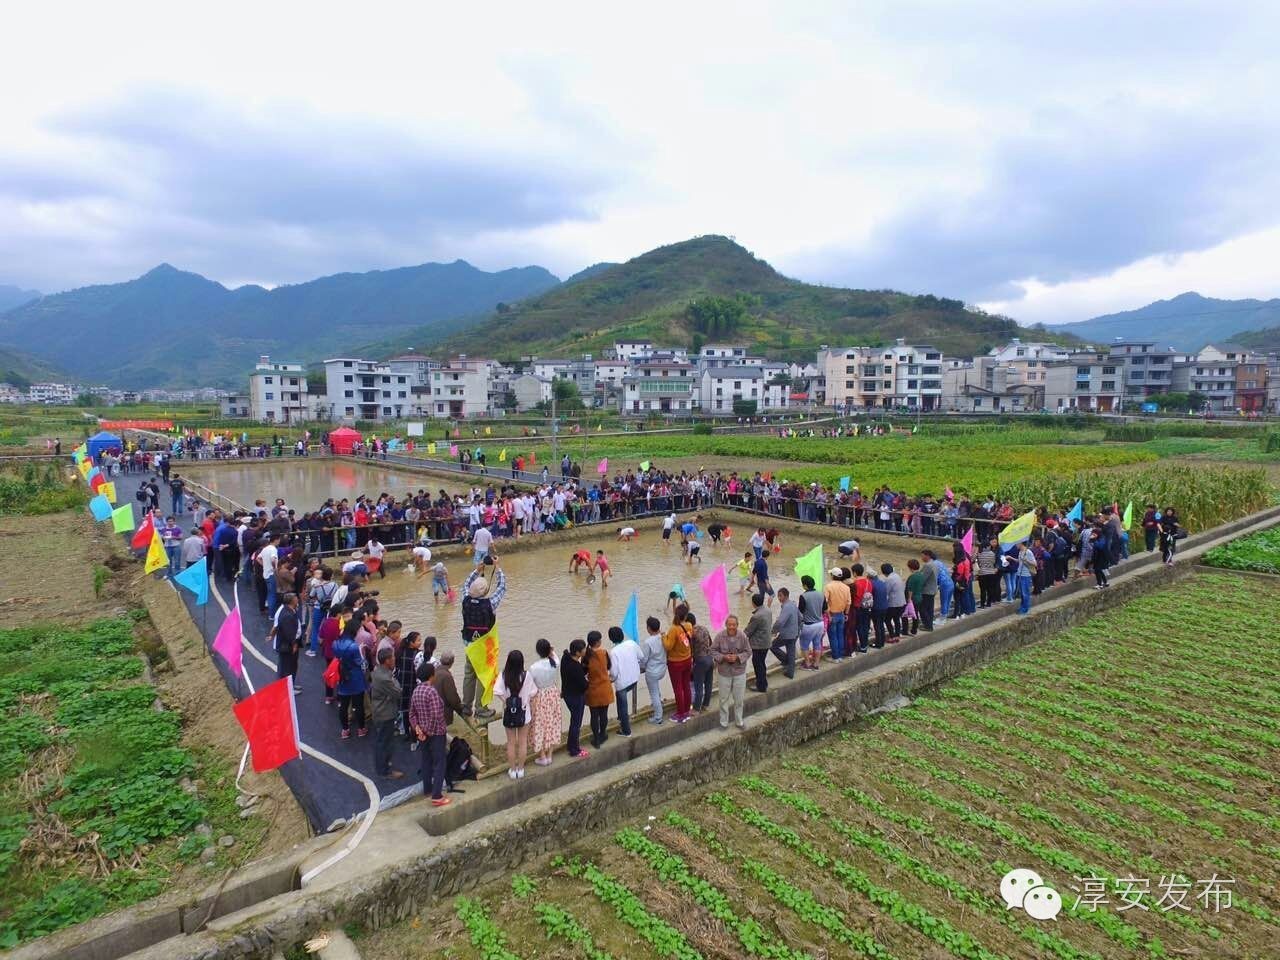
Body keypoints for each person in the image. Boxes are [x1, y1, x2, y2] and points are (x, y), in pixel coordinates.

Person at [460, 559, 507, 720]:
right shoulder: (490, 603)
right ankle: (480, 708)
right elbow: (502, 587)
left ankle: (466, 706)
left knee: (469, 674)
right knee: (483, 675)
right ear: (485, 592)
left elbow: (465, 584)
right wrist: (497, 568)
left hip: (469, 645)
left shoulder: (465, 599)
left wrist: (476, 570)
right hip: (484, 647)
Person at [409, 662, 450, 807]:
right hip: (436, 733)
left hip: (422, 734)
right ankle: (437, 795)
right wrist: (428, 731)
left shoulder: (416, 691)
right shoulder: (431, 692)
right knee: (439, 763)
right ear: (431, 676)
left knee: (426, 761)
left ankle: (427, 789)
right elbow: (436, 714)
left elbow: (412, 714)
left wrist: (418, 730)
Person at [493, 650, 536, 779]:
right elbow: (533, 692)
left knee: (511, 743)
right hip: (524, 712)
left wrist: (505, 701)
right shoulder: (527, 675)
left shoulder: (503, 675)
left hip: (509, 714)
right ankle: (521, 769)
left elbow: (497, 691)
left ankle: (512, 770)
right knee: (522, 742)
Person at [370, 648, 405, 780]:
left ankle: (383, 764)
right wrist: (394, 680)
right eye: (393, 658)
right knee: (385, 741)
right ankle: (384, 770)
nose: (395, 659)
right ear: (387, 661)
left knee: (383, 740)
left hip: (381, 711)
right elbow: (398, 692)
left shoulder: (378, 671)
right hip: (385, 713)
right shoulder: (385, 678)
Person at [712, 615, 750, 730]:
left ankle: (739, 721)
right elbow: (712, 650)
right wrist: (723, 657)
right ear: (726, 625)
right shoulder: (719, 636)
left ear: (737, 625)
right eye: (729, 625)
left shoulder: (742, 636)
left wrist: (738, 657)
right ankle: (724, 723)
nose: (731, 627)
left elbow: (748, 651)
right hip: (724, 672)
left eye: (734, 625)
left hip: (739, 672)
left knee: (739, 699)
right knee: (723, 699)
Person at [333, 613, 368, 739]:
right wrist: (363, 655)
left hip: (342, 676)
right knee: (358, 705)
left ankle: (345, 729)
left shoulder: (336, 643)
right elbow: (361, 663)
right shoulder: (354, 647)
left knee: (343, 705)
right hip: (355, 677)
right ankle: (361, 729)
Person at [528, 639, 561, 766]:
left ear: (537, 651)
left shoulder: (534, 667)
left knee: (539, 725)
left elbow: (530, 685)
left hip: (539, 696)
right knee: (552, 723)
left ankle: (542, 756)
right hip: (553, 694)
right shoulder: (555, 663)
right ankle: (550, 755)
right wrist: (552, 650)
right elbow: (554, 655)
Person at [663, 605, 694, 722]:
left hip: (675, 663)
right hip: (687, 659)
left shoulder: (673, 629)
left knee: (678, 688)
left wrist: (663, 637)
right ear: (686, 615)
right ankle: (687, 710)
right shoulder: (689, 625)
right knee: (686, 686)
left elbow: (668, 646)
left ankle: (680, 713)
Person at [608, 625, 641, 735]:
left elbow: (614, 672)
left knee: (623, 706)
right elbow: (641, 656)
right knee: (622, 702)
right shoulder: (631, 643)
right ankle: (621, 718)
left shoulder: (613, 652)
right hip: (634, 678)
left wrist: (611, 679)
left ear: (611, 638)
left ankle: (626, 731)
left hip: (622, 683)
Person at [560, 639, 589, 759]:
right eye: (583, 649)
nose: (585, 651)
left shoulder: (565, 659)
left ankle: (570, 745)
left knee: (574, 721)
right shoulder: (575, 667)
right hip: (576, 696)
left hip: (567, 694)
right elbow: (584, 685)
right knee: (576, 723)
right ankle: (574, 749)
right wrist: (587, 680)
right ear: (577, 653)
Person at [584, 631, 613, 748]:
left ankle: (596, 739)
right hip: (605, 688)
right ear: (597, 642)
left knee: (594, 716)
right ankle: (603, 735)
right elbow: (609, 666)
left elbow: (584, 672)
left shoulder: (586, 656)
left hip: (593, 689)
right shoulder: (604, 653)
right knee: (604, 714)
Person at [269, 592, 303, 691]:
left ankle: (290, 685)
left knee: (291, 666)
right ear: (291, 601)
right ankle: (286, 690)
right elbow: (289, 634)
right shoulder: (287, 615)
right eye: (296, 597)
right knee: (286, 669)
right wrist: (294, 644)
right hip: (287, 647)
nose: (297, 599)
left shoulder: (290, 609)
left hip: (289, 645)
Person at [638, 615, 668, 724]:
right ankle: (658, 705)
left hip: (652, 672)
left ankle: (658, 717)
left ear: (649, 628)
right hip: (662, 669)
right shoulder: (664, 637)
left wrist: (640, 667)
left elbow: (644, 659)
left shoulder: (648, 642)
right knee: (656, 692)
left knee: (654, 694)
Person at [744, 593, 774, 691]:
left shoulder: (756, 616)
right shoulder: (768, 611)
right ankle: (763, 683)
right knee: (762, 663)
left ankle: (761, 686)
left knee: (758, 665)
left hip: (758, 645)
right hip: (767, 642)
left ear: (753, 603)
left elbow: (748, 631)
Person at [686, 612, 715, 712]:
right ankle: (706, 704)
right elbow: (711, 643)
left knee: (698, 685)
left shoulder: (691, 634)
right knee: (708, 683)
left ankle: (696, 708)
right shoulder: (704, 628)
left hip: (700, 661)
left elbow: (689, 650)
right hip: (710, 658)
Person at [797, 575, 825, 670]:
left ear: (805, 585)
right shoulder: (821, 594)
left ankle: (807, 664)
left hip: (808, 625)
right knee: (817, 644)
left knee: (804, 646)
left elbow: (800, 612)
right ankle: (816, 664)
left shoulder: (803, 596)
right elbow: (824, 609)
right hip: (820, 624)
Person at [770, 586, 799, 678]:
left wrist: (773, 631)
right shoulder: (793, 604)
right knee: (791, 652)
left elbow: (780, 622)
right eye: (778, 596)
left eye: (780, 596)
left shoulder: (786, 607)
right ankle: (790, 671)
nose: (779, 598)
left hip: (786, 634)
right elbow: (801, 617)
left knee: (772, 646)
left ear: (786, 596)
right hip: (794, 633)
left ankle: (786, 661)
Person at [823, 567, 850, 660]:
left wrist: (829, 616)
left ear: (832, 576)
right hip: (842, 614)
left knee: (833, 636)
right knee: (840, 635)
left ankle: (835, 656)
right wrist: (846, 614)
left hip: (832, 615)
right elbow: (848, 602)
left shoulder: (828, 586)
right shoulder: (846, 587)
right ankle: (840, 655)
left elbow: (825, 602)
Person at [882, 563, 906, 640]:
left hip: (894, 604)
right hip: (902, 602)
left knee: (887, 620)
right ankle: (897, 634)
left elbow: (886, 592)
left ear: (884, 572)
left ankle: (892, 635)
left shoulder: (889, 579)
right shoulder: (897, 576)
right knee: (896, 619)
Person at [1015, 541, 1037, 614]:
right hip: (1019, 574)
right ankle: (1022, 607)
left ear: (1020, 543)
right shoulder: (1020, 552)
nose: (1016, 545)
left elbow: (1035, 563)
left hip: (1026, 575)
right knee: (1021, 593)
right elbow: (1019, 561)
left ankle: (1025, 609)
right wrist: (1010, 558)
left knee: (1025, 593)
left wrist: (1026, 560)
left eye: (1017, 543)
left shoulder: (1028, 552)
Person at [917, 553, 938, 631]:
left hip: (927, 590)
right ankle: (929, 624)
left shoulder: (928, 565)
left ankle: (927, 625)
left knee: (922, 609)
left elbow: (923, 578)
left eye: (922, 556)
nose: (922, 557)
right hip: (932, 589)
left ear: (927, 556)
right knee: (929, 609)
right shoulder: (934, 564)